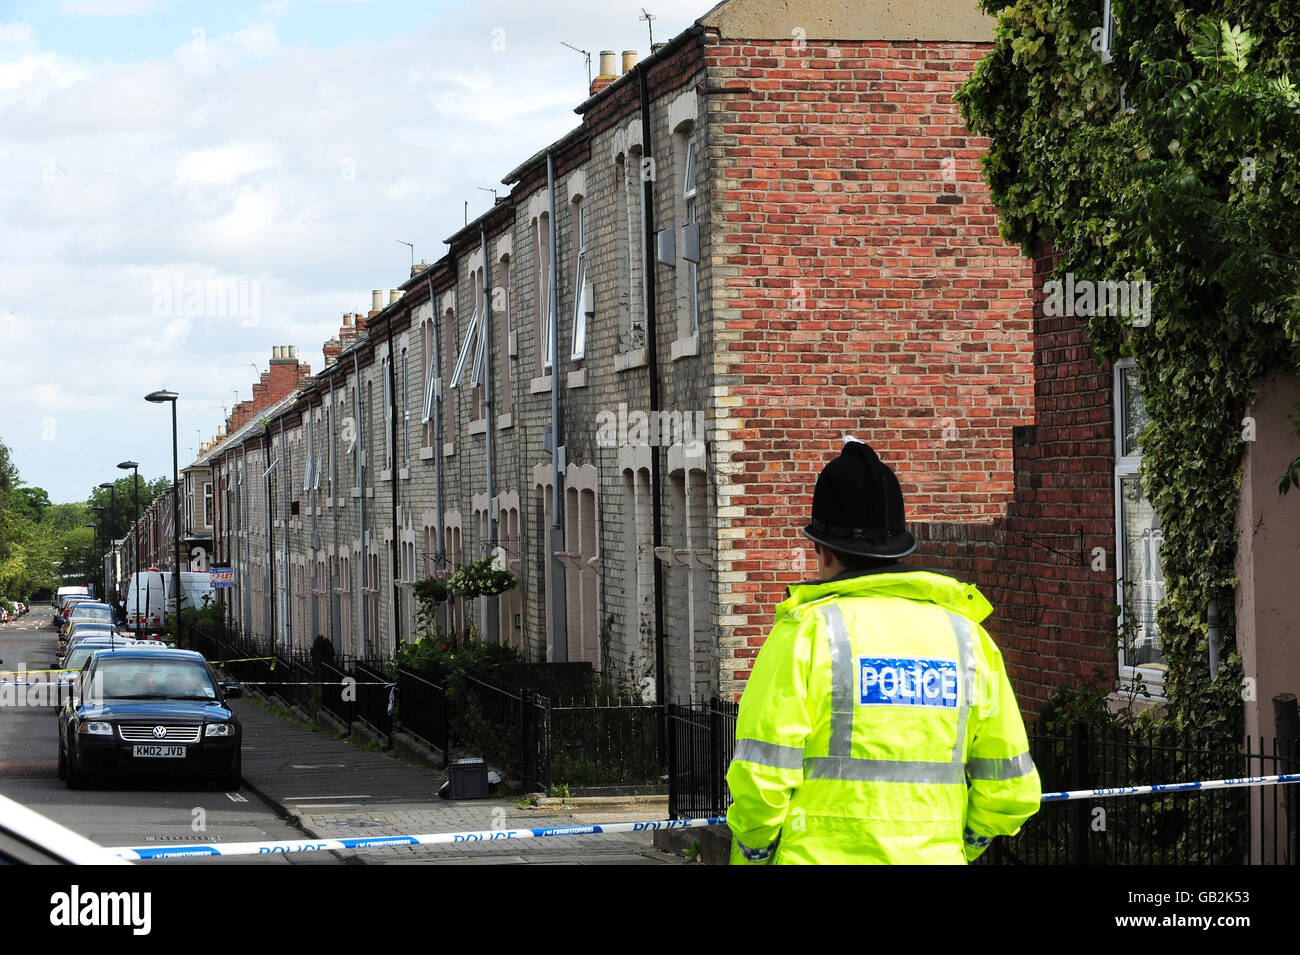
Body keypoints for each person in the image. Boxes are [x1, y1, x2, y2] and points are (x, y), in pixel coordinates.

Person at [726, 438, 1041, 864]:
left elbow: (761, 778)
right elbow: (1011, 787)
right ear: (901, 548)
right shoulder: (967, 639)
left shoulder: (806, 635)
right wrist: (960, 847)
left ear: (821, 549)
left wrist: (755, 852)